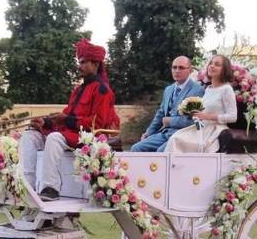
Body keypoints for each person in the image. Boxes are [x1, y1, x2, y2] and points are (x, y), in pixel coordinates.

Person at [20, 38, 120, 201]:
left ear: (95, 64)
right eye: (79, 62)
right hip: (68, 135)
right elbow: (66, 115)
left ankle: (50, 187)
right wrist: (45, 123)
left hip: (86, 138)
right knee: (29, 135)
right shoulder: (78, 90)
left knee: (54, 138)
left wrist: (67, 120)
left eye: (83, 62)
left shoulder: (102, 90)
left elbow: (97, 124)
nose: (79, 66)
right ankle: (28, 187)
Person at [164, 54, 238, 154]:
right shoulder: (208, 89)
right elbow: (202, 114)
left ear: (225, 69)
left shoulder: (226, 89)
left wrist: (207, 116)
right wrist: (195, 114)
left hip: (214, 129)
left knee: (178, 141)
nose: (211, 66)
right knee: (175, 138)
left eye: (217, 64)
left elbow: (233, 117)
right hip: (201, 127)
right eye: (211, 63)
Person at [131, 56, 205, 152]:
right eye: (174, 67)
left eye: (181, 68)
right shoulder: (168, 90)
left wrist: (171, 121)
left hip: (182, 135)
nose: (177, 71)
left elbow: (195, 122)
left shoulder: (198, 90)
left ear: (190, 70)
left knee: (161, 153)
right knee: (136, 148)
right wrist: (148, 132)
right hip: (165, 133)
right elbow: (160, 113)